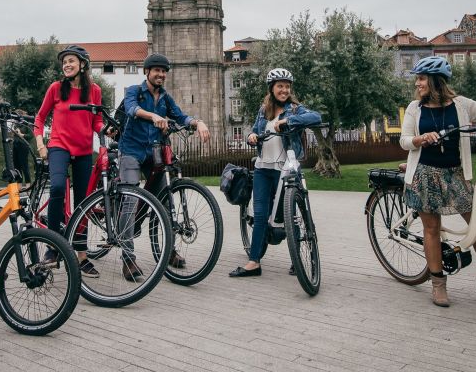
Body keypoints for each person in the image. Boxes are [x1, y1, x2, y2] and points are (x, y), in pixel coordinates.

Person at [400, 55, 476, 308]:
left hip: (456, 175)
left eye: (421, 79)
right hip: (425, 175)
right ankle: (437, 283)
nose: (417, 84)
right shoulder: (415, 108)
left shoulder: (461, 105)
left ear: (435, 81)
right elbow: (404, 140)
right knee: (432, 229)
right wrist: (420, 139)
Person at [117, 53, 210, 281]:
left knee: (166, 201)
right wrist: (153, 116)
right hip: (131, 150)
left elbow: (180, 116)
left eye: (164, 70)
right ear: (146, 72)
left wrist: (197, 123)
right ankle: (128, 258)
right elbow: (131, 109)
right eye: (156, 70)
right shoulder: (134, 91)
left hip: (154, 152)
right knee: (130, 199)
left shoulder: (166, 98)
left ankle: (168, 251)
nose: (161, 74)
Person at [229, 68, 322, 278]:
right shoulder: (264, 110)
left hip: (287, 170)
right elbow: (253, 130)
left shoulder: (295, 110)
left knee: (293, 215)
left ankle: (296, 260)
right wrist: (252, 136)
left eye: (287, 86)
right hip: (263, 168)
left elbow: (316, 117)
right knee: (261, 215)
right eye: (280, 86)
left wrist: (289, 121)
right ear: (272, 88)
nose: (284, 90)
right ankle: (254, 262)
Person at [33, 45, 103, 278]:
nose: (67, 65)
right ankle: (53, 248)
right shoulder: (55, 88)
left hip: (83, 149)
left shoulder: (94, 91)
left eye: (71, 61)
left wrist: (107, 130)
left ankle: (81, 256)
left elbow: (97, 122)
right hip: (58, 146)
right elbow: (40, 117)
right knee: (57, 188)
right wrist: (40, 143)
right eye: (64, 62)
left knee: (83, 201)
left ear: (82, 64)